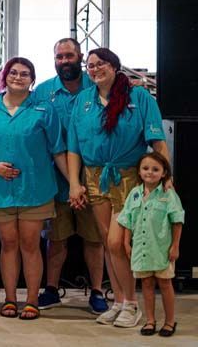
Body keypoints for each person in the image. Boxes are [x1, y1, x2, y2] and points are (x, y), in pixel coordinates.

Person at [67, 47, 168, 328]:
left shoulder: (139, 97)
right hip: (94, 176)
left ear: (114, 66)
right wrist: (75, 183)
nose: (95, 69)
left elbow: (157, 141)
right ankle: (119, 300)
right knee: (105, 242)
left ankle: (132, 304)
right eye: (90, 66)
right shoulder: (83, 101)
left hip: (128, 177)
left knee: (117, 242)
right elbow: (73, 147)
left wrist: (165, 179)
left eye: (100, 64)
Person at [0, 57, 66, 321]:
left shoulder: (44, 109)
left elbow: (58, 149)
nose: (18, 77)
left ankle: (33, 300)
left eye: (25, 74)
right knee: (8, 244)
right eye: (13, 72)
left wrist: (74, 183)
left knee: (30, 244)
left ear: (32, 79)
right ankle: (10, 298)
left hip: (35, 189)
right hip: (0, 189)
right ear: (4, 76)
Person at [31, 38, 107, 314]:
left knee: (95, 237)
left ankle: (98, 291)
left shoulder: (97, 87)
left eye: (69, 56)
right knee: (56, 237)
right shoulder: (42, 92)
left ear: (80, 57)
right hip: (56, 179)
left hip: (95, 175)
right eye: (59, 57)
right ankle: (51, 289)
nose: (64, 61)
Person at [118, 152, 183, 338]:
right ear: (139, 171)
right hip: (141, 249)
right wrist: (125, 242)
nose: (150, 172)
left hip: (161, 249)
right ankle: (150, 320)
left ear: (163, 173)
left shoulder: (168, 194)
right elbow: (127, 220)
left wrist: (175, 246)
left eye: (155, 169)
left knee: (164, 283)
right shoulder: (134, 194)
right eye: (146, 168)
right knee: (146, 283)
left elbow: (177, 220)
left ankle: (170, 321)